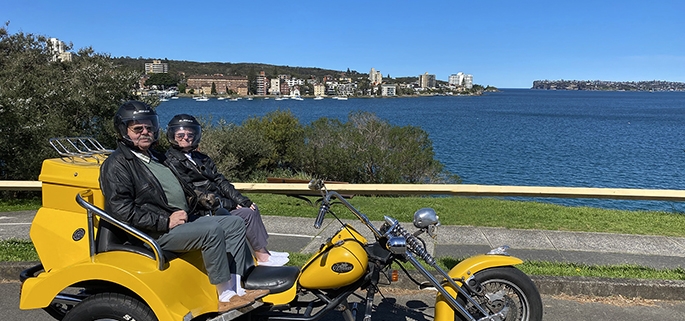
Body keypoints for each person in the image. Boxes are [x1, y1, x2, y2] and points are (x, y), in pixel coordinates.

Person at [99, 101, 268, 313]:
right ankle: (224, 296)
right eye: (138, 129)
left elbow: (182, 188)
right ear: (124, 131)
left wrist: (201, 200)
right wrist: (165, 221)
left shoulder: (157, 157)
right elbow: (120, 210)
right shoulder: (117, 164)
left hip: (181, 220)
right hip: (154, 231)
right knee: (212, 231)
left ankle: (236, 290)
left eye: (149, 127)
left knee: (234, 223)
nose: (145, 132)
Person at [163, 114, 289, 267]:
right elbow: (193, 192)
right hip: (202, 209)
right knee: (247, 214)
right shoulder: (171, 161)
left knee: (251, 208)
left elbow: (220, 180)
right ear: (172, 136)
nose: (186, 138)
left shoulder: (200, 157)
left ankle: (262, 252)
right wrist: (227, 204)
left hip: (217, 204)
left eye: (190, 134)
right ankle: (262, 257)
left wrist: (240, 200)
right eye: (180, 135)